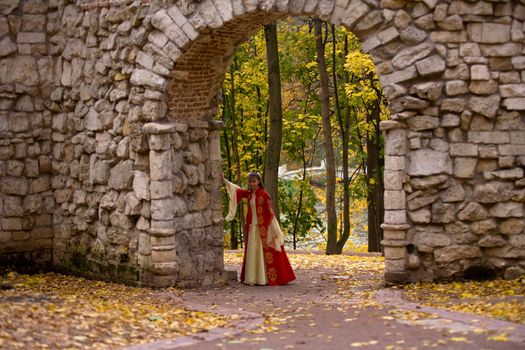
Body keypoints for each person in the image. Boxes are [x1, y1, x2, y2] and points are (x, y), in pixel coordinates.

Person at [223, 172, 296, 286]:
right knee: (253, 251)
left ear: (259, 182)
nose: (252, 183)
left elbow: (269, 212)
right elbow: (236, 190)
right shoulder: (248, 194)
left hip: (263, 228)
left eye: (254, 181)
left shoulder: (264, 194)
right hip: (253, 228)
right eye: (250, 181)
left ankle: (264, 278)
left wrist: (272, 227)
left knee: (264, 252)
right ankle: (253, 278)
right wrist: (224, 180)